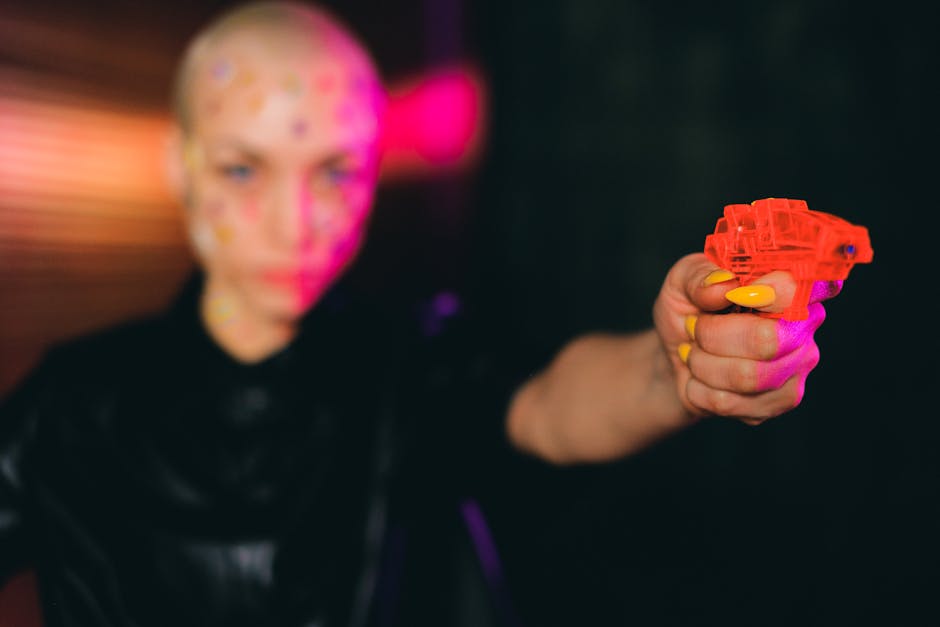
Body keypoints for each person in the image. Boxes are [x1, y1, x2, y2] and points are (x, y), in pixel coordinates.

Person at [0, 2, 840, 626]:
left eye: (334, 171)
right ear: (178, 166)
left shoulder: (410, 363)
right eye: (244, 170)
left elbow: (547, 401)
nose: (296, 224)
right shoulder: (68, 406)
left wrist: (674, 369)